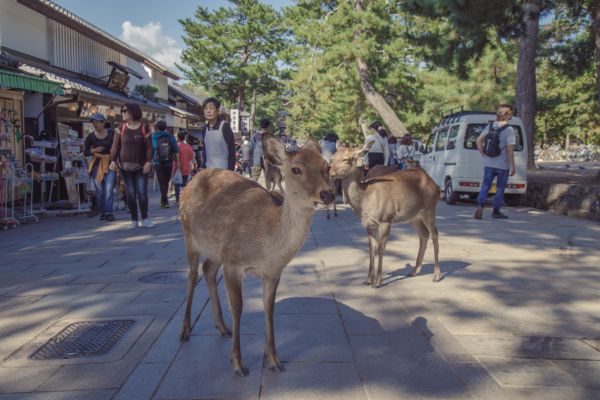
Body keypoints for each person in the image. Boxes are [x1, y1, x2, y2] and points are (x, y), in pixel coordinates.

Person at [109, 102, 154, 228]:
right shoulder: (120, 128)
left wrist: (148, 162)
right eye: (122, 111)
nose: (122, 113)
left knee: (142, 193)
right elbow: (115, 147)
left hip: (141, 167)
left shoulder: (144, 128)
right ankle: (134, 220)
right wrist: (113, 160)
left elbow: (149, 148)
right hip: (125, 168)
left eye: (125, 111)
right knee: (130, 194)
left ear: (133, 112)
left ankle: (145, 218)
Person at [474, 104, 516, 220]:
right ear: (507, 115)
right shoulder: (509, 130)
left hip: (489, 163)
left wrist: (483, 154)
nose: (511, 114)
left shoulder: (490, 126)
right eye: (510, 113)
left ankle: (480, 206)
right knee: (500, 188)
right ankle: (496, 211)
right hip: (503, 165)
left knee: (486, 185)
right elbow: (509, 149)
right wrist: (512, 165)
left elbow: (478, 141)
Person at [84, 113, 116, 221]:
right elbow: (85, 151)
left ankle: (108, 212)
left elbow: (117, 147)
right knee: (100, 191)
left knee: (109, 188)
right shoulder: (90, 136)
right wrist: (94, 150)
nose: (95, 125)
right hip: (96, 164)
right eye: (93, 123)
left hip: (110, 163)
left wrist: (115, 160)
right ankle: (102, 211)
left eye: (97, 122)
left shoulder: (111, 133)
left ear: (103, 123)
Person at [198, 97, 235, 170]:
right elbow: (205, 151)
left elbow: (232, 153)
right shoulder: (204, 129)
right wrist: (202, 166)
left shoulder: (224, 126)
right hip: (208, 172)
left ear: (217, 110)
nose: (208, 111)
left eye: (211, 108)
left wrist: (230, 173)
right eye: (205, 108)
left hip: (223, 172)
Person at [151, 120, 179, 208]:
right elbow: (176, 149)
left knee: (161, 182)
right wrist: (178, 162)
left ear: (157, 127)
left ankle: (164, 201)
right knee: (166, 182)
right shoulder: (170, 136)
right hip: (169, 162)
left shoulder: (154, 136)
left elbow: (154, 147)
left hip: (158, 162)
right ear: (165, 128)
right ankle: (164, 201)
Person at [173, 129, 195, 203]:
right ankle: (184, 198)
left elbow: (174, 158)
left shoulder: (176, 146)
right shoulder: (188, 147)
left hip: (177, 168)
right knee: (184, 184)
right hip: (186, 168)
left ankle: (177, 199)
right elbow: (190, 158)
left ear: (178, 138)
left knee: (177, 184)